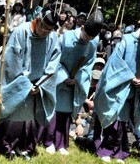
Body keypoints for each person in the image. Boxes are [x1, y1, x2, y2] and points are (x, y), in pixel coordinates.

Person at [0, 10, 61, 160]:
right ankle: (6, 146)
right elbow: (12, 61)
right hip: (17, 82)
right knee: (13, 114)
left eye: (49, 29)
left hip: (38, 85)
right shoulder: (21, 32)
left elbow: (54, 63)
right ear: (38, 20)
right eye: (43, 26)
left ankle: (25, 147)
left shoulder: (53, 37)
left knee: (29, 118)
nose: (45, 32)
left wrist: (40, 84)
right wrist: (25, 85)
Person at [43, 10, 103, 155]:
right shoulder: (66, 37)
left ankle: (62, 143)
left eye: (91, 37)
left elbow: (89, 63)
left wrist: (76, 79)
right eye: (86, 35)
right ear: (81, 28)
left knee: (66, 112)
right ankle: (49, 141)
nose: (88, 39)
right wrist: (64, 77)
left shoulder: (93, 42)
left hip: (75, 81)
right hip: (58, 79)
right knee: (54, 109)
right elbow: (54, 58)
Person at [93, 19, 140, 163]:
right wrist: (129, 77)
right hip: (118, 86)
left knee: (122, 121)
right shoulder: (127, 40)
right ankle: (105, 149)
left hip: (134, 90)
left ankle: (119, 152)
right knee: (113, 117)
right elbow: (115, 62)